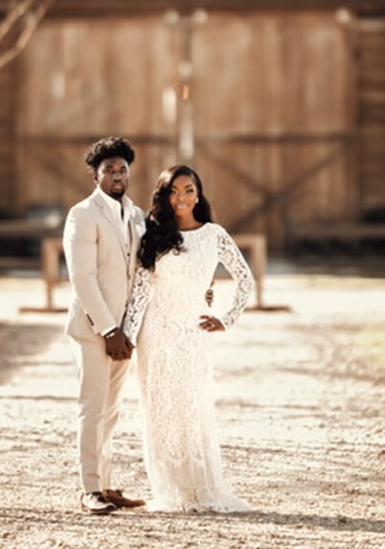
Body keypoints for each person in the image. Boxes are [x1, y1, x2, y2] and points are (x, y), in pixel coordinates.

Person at [123, 164, 254, 513]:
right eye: (173, 191)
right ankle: (171, 489)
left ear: (199, 194)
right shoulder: (155, 234)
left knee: (193, 407)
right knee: (162, 410)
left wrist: (226, 319)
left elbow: (245, 280)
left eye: (188, 190)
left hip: (193, 333)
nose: (181, 198)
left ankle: (200, 486)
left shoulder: (215, 234)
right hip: (157, 332)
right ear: (164, 196)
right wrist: (128, 336)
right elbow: (140, 289)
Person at [62, 136, 146, 515]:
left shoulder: (137, 215)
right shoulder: (82, 214)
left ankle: (107, 485)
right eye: (109, 169)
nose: (117, 174)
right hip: (95, 330)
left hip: (125, 333)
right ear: (96, 175)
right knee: (92, 408)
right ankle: (89, 489)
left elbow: (143, 273)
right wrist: (109, 330)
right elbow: (82, 277)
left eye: (122, 168)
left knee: (112, 411)